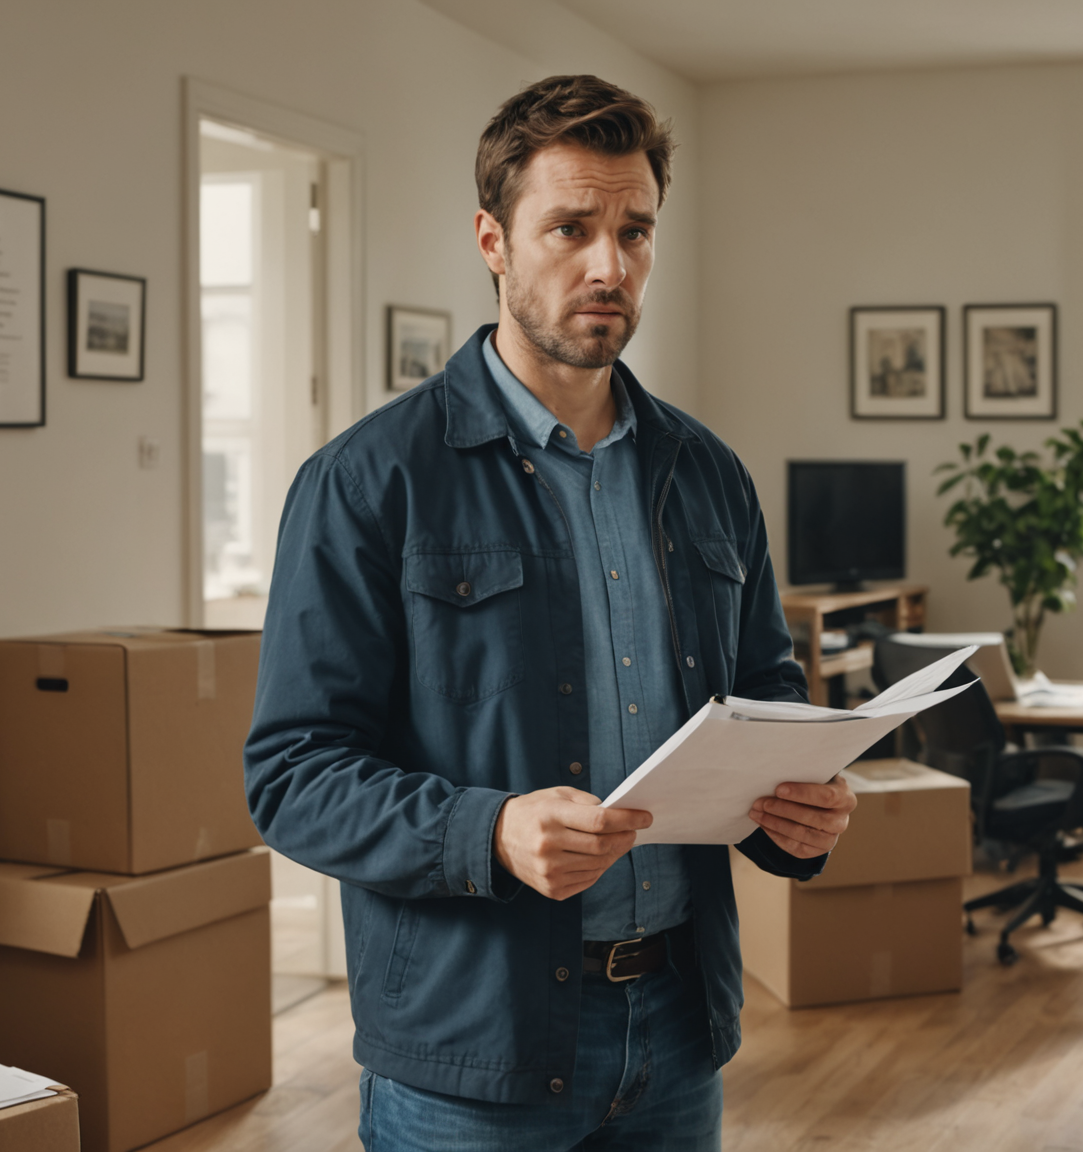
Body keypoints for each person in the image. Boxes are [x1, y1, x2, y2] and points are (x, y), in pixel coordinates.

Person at [244, 74, 857, 1151]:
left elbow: (767, 693)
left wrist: (800, 812)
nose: (608, 266)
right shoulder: (367, 481)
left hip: (676, 1030)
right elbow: (292, 776)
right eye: (570, 228)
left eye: (635, 231)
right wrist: (489, 829)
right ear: (493, 239)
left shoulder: (707, 473)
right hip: (471, 1054)